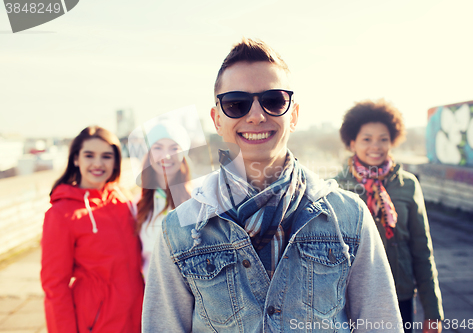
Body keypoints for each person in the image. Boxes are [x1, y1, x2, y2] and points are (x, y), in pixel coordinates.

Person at [142, 38, 403, 332]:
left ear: (293, 115)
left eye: (274, 100)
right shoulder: (180, 229)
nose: (256, 115)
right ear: (217, 119)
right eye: (236, 104)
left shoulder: (349, 217)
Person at [335, 100, 444, 333]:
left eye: (383, 139)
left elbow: (422, 249)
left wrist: (433, 312)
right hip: (351, 296)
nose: (376, 146)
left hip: (400, 293)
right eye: (367, 139)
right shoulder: (336, 187)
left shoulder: (408, 185)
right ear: (352, 142)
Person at [41, 126, 144, 333]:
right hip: (98, 323)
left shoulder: (122, 199)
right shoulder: (61, 214)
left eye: (106, 156)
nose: (98, 163)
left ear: (115, 161)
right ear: (76, 159)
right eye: (89, 155)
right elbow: (55, 286)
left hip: (140, 316)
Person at [136, 121, 193, 280]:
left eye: (174, 148)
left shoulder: (199, 199)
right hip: (153, 294)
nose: (166, 156)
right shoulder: (137, 204)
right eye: (158, 147)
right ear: (149, 154)